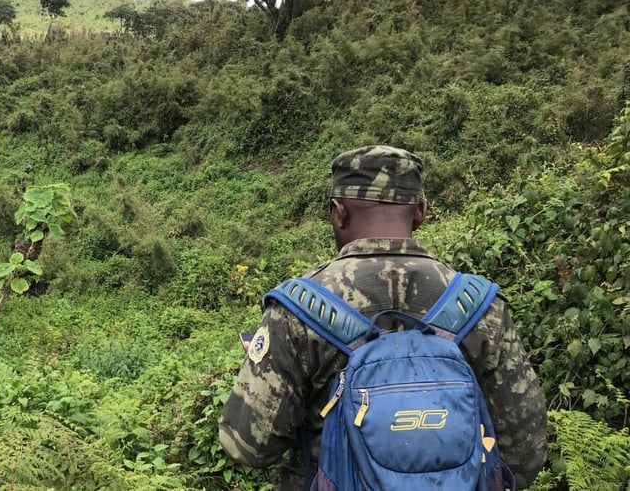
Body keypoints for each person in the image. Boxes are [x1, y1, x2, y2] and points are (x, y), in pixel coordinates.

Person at [219, 145, 547, 489]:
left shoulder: (296, 310)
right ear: (420, 212)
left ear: (338, 212)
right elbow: (525, 456)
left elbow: (247, 446)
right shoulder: (480, 306)